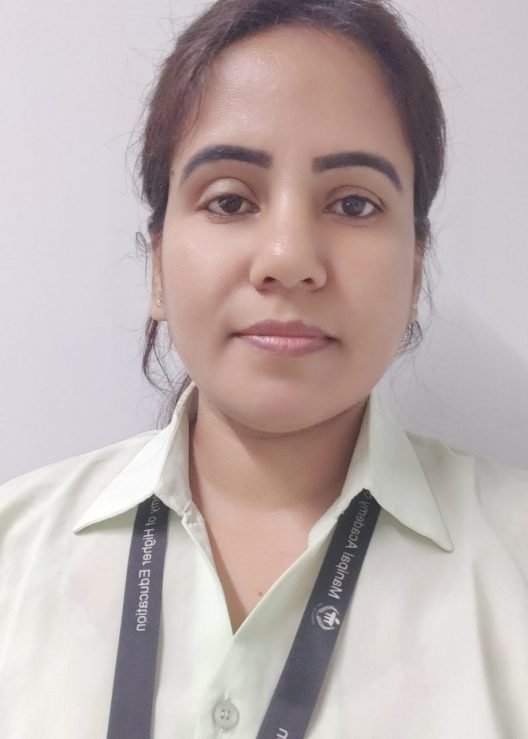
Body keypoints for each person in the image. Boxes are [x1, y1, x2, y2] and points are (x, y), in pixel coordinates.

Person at [1, 0, 527, 737]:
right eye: (228, 200)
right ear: (158, 266)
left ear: (414, 272)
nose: (288, 257)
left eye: (353, 203)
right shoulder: (12, 550)